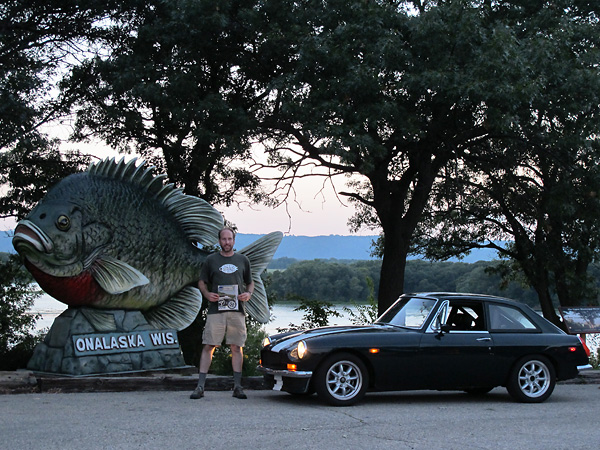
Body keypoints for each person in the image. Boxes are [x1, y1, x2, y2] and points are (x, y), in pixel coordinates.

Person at [190, 227, 254, 400]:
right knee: (209, 345)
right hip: (215, 311)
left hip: (237, 311)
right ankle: (200, 387)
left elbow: (250, 282)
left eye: (230, 239)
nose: (227, 242)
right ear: (219, 241)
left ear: (234, 240)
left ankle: (238, 387)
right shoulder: (211, 260)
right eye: (224, 239)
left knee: (236, 347)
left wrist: (248, 294)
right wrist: (206, 294)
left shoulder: (243, 260)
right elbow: (202, 282)